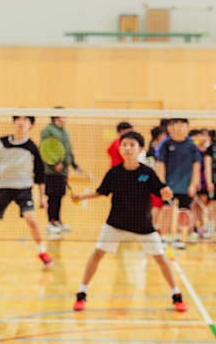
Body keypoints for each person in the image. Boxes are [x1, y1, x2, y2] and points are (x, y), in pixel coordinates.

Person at [71, 131, 186, 313]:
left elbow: (161, 191)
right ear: (120, 149)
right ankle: (82, 292)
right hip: (116, 222)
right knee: (97, 254)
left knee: (161, 258)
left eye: (132, 145)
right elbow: (101, 191)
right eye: (124, 145)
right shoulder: (114, 172)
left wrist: (167, 193)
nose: (127, 148)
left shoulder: (147, 173)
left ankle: (176, 294)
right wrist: (81, 196)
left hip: (142, 224)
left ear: (140, 149)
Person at [0, 116, 52, 270]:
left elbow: (40, 175)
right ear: (14, 122)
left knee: (32, 220)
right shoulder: (1, 142)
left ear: (31, 125)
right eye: (18, 119)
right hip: (2, 187)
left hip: (23, 188)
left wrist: (42, 197)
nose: (21, 122)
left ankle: (42, 252)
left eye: (25, 120)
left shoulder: (33, 148)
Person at [155, 118, 201, 248]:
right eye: (177, 125)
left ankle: (179, 237)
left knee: (184, 212)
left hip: (185, 186)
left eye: (183, 125)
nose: (180, 128)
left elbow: (196, 165)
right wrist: (162, 184)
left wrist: (193, 184)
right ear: (172, 127)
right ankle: (165, 237)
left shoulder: (191, 145)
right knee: (167, 210)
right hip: (169, 185)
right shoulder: (166, 144)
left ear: (187, 128)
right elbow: (160, 164)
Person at [40, 112, 81, 235]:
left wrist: (74, 165)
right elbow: (45, 148)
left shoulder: (65, 132)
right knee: (52, 196)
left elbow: (68, 150)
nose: (65, 119)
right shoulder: (48, 130)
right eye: (63, 116)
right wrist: (54, 163)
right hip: (52, 171)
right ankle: (51, 222)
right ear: (56, 117)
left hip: (63, 171)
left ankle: (57, 221)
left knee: (59, 196)